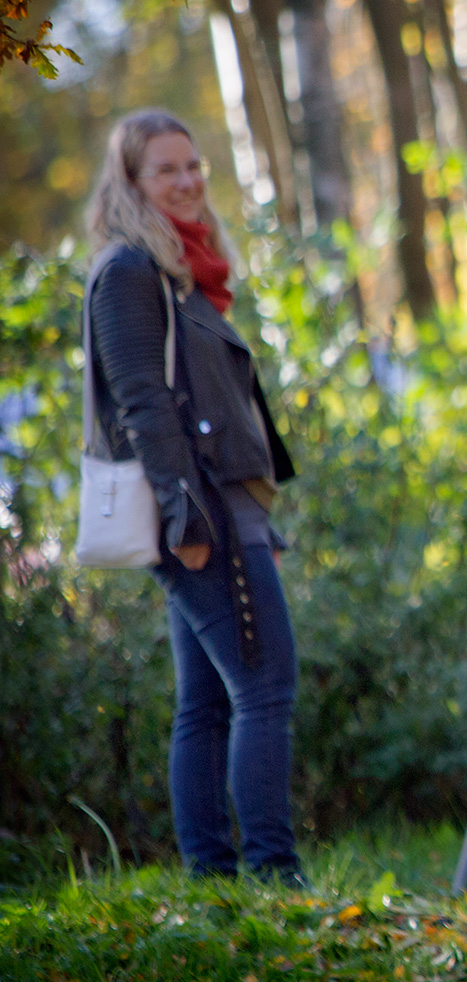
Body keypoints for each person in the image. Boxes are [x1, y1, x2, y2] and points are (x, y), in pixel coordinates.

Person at [82, 109, 301, 882]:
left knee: (208, 700)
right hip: (195, 507)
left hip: (221, 499)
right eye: (165, 170)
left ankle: (214, 880)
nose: (186, 181)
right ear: (132, 183)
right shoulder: (130, 272)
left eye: (193, 166)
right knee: (267, 686)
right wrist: (185, 513)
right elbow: (140, 401)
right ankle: (276, 875)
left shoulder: (183, 273)